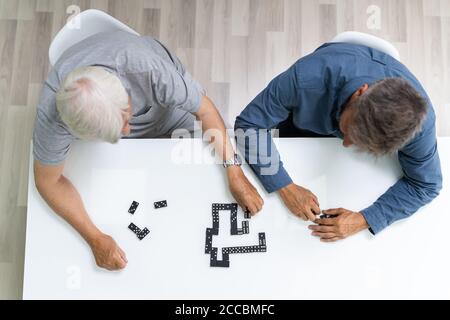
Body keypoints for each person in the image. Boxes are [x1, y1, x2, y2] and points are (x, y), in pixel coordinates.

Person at [33, 30, 263, 271]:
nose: (126, 130)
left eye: (125, 117)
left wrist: (234, 172)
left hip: (168, 111)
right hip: (125, 151)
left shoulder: (148, 71)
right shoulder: (53, 117)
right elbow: (48, 182)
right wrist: (95, 237)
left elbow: (205, 111)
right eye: (114, 132)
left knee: (208, 162)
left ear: (124, 90)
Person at [234, 42, 442, 242]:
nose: (346, 144)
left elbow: (426, 184)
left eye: (362, 145)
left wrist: (364, 219)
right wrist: (285, 186)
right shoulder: (307, 77)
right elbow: (250, 124)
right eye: (350, 131)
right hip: (302, 123)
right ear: (359, 93)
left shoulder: (419, 126)